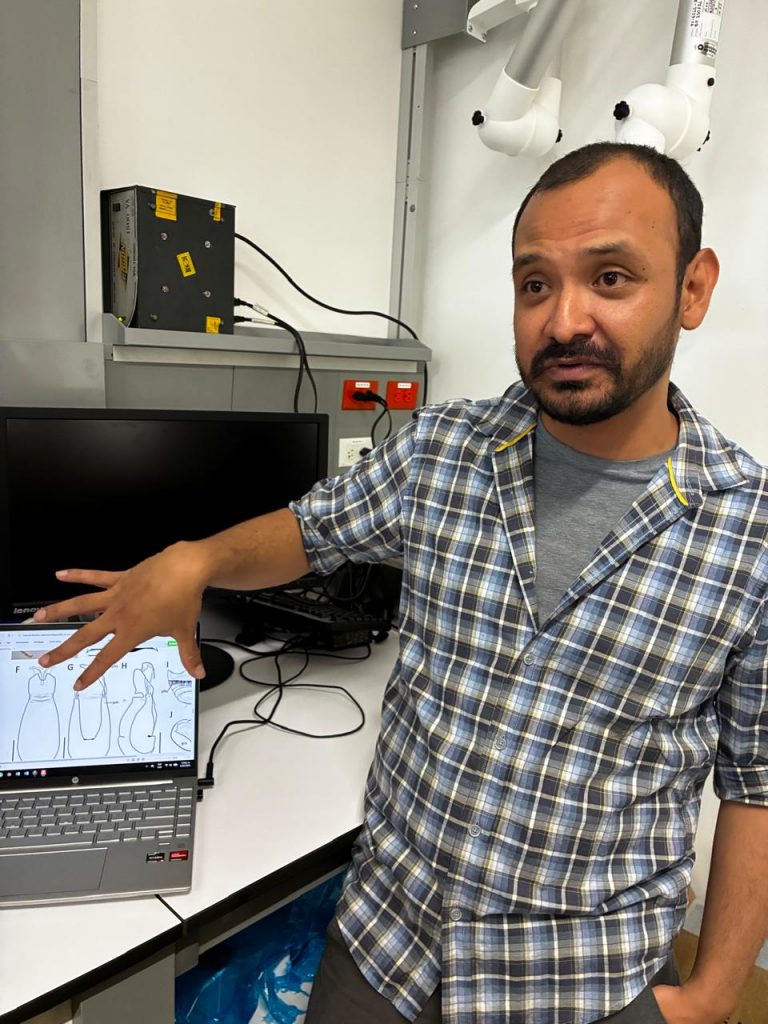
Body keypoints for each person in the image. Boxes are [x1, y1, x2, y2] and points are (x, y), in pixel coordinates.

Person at [35, 142, 767, 1024]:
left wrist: (716, 994)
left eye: (611, 278)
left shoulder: (749, 528)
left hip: (576, 986)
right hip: (387, 944)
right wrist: (200, 558)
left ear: (694, 288)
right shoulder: (441, 450)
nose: (565, 318)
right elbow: (310, 532)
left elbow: (756, 783)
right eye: (534, 284)